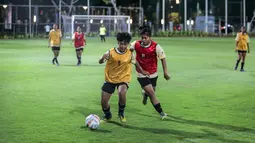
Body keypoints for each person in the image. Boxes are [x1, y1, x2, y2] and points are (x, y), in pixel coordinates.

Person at [99, 32, 149, 123]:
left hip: (123, 78)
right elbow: (100, 61)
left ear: (128, 44)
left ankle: (121, 113)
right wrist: (102, 58)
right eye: (121, 44)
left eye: (125, 44)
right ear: (118, 42)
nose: (122, 46)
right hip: (110, 79)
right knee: (103, 102)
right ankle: (108, 115)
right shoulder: (110, 52)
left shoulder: (130, 53)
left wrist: (142, 71)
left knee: (122, 92)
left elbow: (135, 62)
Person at [130, 25, 170, 120]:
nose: (143, 40)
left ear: (150, 37)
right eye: (142, 38)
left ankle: (145, 94)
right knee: (152, 93)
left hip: (153, 73)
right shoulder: (136, 44)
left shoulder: (156, 46)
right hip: (141, 74)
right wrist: (131, 55)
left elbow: (163, 59)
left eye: (145, 38)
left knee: (152, 92)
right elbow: (129, 50)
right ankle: (161, 113)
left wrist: (165, 72)